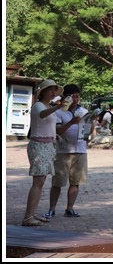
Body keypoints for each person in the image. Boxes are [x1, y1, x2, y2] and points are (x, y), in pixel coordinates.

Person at [22, 79, 68, 226]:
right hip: (38, 145)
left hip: (49, 145)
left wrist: (56, 135)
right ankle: (28, 216)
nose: (53, 92)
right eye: (50, 89)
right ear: (43, 92)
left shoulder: (48, 106)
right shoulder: (38, 105)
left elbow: (48, 124)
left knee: (41, 182)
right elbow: (42, 115)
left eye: (54, 89)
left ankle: (32, 213)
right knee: (38, 181)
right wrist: (57, 107)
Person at [46, 83, 94, 219]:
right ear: (66, 97)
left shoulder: (84, 111)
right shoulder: (59, 111)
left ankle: (70, 208)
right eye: (72, 97)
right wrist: (72, 122)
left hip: (80, 149)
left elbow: (88, 130)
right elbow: (58, 130)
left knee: (76, 181)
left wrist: (91, 123)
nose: (75, 99)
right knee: (57, 182)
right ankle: (52, 209)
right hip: (63, 151)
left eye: (77, 96)